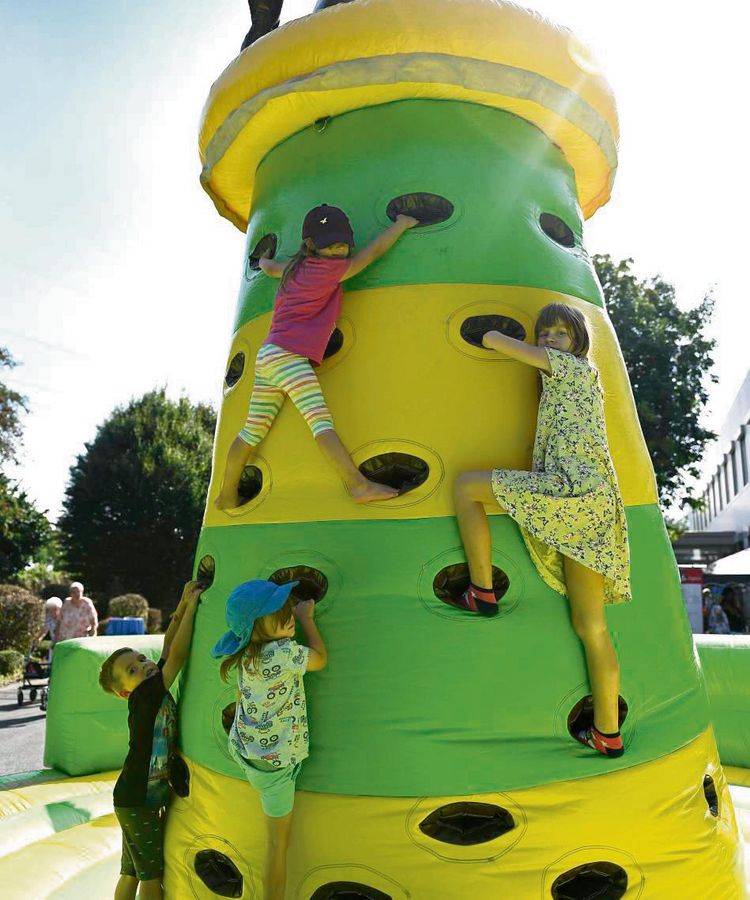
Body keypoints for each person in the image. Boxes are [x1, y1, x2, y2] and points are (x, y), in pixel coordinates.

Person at [445, 303, 631, 758]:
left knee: (468, 488)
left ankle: (482, 589)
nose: (549, 339)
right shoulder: (582, 382)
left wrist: (493, 334)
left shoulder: (569, 368)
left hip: (567, 493)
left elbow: (497, 342)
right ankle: (607, 732)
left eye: (560, 333)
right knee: (591, 627)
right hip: (594, 505)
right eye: (544, 331)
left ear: (578, 342)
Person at [214, 204, 419, 509]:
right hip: (289, 358)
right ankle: (357, 484)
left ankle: (226, 494)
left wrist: (265, 259)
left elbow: (270, 269)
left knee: (251, 430)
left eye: (342, 245)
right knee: (320, 422)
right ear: (312, 245)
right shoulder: (332, 270)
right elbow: (373, 253)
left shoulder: (295, 267)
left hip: (269, 355)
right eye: (331, 246)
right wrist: (401, 223)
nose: (338, 251)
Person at [211, 580, 327, 900]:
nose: (289, 613)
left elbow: (240, 696)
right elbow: (319, 659)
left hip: (247, 749)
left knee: (275, 838)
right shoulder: (285, 652)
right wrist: (307, 621)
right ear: (258, 626)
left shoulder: (246, 655)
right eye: (278, 612)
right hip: (276, 763)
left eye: (287, 608)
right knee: (277, 845)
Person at [98, 581, 202, 900]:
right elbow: (178, 656)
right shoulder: (145, 696)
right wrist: (194, 609)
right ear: (124, 691)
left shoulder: (147, 688)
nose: (144, 666)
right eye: (133, 669)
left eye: (141, 659)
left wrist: (181, 606)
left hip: (132, 799)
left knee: (131, 871)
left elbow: (168, 649)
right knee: (152, 877)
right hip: (138, 801)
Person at [38, 597, 62, 663]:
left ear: (59, 608)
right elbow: (44, 629)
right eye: (50, 609)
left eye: (55, 609)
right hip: (54, 643)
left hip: (63, 642)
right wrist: (39, 638)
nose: (52, 611)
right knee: (52, 662)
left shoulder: (64, 617)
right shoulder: (48, 617)